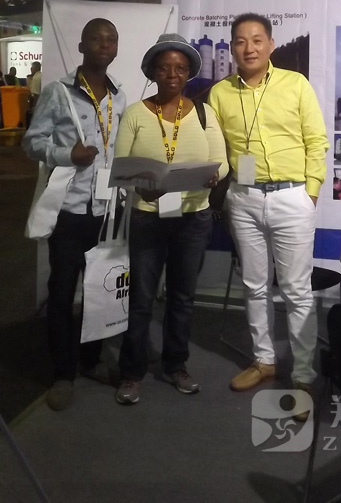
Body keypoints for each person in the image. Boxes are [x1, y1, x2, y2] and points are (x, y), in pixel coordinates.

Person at [207, 13, 329, 411]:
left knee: (295, 289)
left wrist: (311, 193)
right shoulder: (219, 93)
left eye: (257, 40)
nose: (250, 48)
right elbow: (216, 149)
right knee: (254, 285)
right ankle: (264, 361)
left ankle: (304, 375)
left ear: (271, 45)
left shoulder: (295, 84)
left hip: (291, 197)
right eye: (241, 41)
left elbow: (316, 140)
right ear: (232, 48)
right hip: (243, 199)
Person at [112, 34, 228, 405]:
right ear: (153, 72)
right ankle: (132, 372)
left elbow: (222, 162)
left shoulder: (204, 113)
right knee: (141, 299)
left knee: (182, 297)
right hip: (148, 217)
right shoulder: (135, 113)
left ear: (189, 72)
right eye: (165, 67)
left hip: (193, 218)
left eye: (180, 67)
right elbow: (121, 167)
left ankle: (176, 364)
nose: (173, 74)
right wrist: (139, 189)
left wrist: (214, 176)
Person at [22, 19, 126, 411]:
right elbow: (31, 142)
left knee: (100, 292)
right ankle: (63, 373)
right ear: (82, 46)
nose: (104, 44)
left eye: (111, 39)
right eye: (96, 38)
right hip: (69, 211)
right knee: (63, 293)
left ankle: (92, 361)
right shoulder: (58, 91)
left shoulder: (120, 96)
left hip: (107, 211)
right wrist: (67, 154)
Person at [27, 61, 42, 128]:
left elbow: (35, 94)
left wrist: (33, 108)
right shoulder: (41, 76)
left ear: (35, 68)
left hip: (37, 106)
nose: (31, 69)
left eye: (32, 68)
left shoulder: (36, 78)